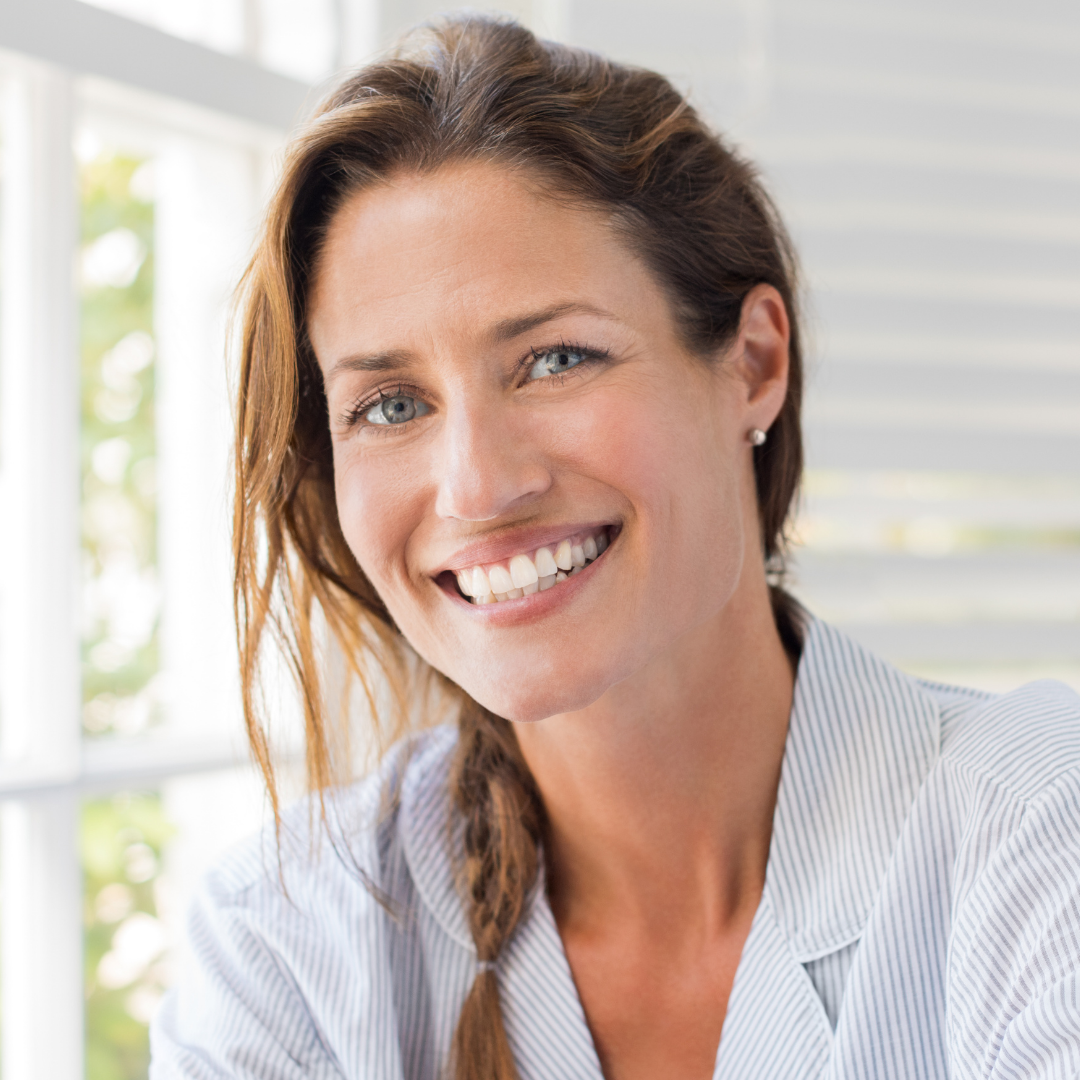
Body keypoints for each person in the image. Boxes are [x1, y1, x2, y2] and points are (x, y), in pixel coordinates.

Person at [150, 16, 1080, 1080]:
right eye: (393, 404)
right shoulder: (286, 948)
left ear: (753, 364)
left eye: (555, 359)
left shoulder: (1037, 828)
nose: (478, 486)